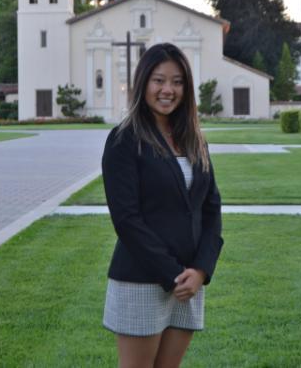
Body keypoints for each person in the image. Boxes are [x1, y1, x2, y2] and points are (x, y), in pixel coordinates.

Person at [102, 42, 223, 368]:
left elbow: (211, 209)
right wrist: (172, 274)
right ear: (143, 83)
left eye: (178, 81)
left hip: (188, 281)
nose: (168, 89)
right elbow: (127, 219)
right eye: (159, 80)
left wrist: (201, 270)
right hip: (142, 279)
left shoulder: (194, 139)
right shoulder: (124, 140)